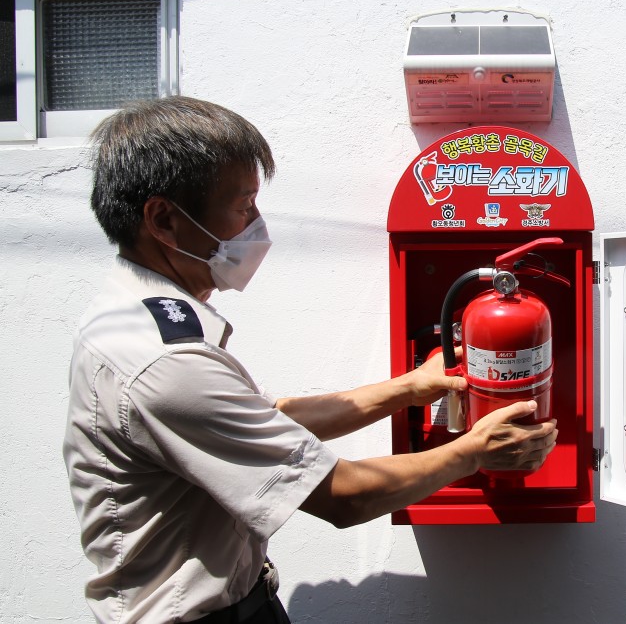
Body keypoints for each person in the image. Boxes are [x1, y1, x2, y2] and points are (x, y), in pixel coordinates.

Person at [63, 96, 558, 623]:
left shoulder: (132, 317)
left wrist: (410, 387)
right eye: (243, 205)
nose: (257, 224)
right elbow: (343, 497)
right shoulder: (162, 361)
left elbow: (270, 422)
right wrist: (475, 452)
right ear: (164, 219)